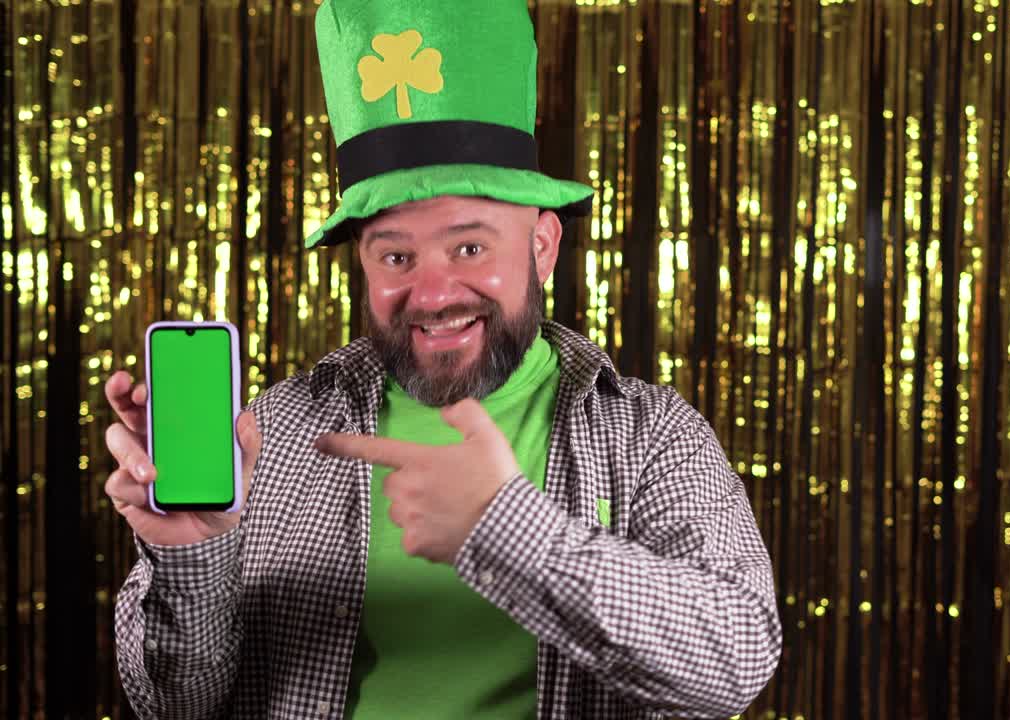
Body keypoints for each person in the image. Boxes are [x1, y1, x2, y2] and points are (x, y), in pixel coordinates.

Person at [104, 1, 782, 718]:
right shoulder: (271, 431)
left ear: (542, 246)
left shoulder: (648, 435)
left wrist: (507, 527)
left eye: (470, 247)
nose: (430, 293)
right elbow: (174, 706)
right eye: (397, 254)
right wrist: (193, 556)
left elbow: (734, 665)